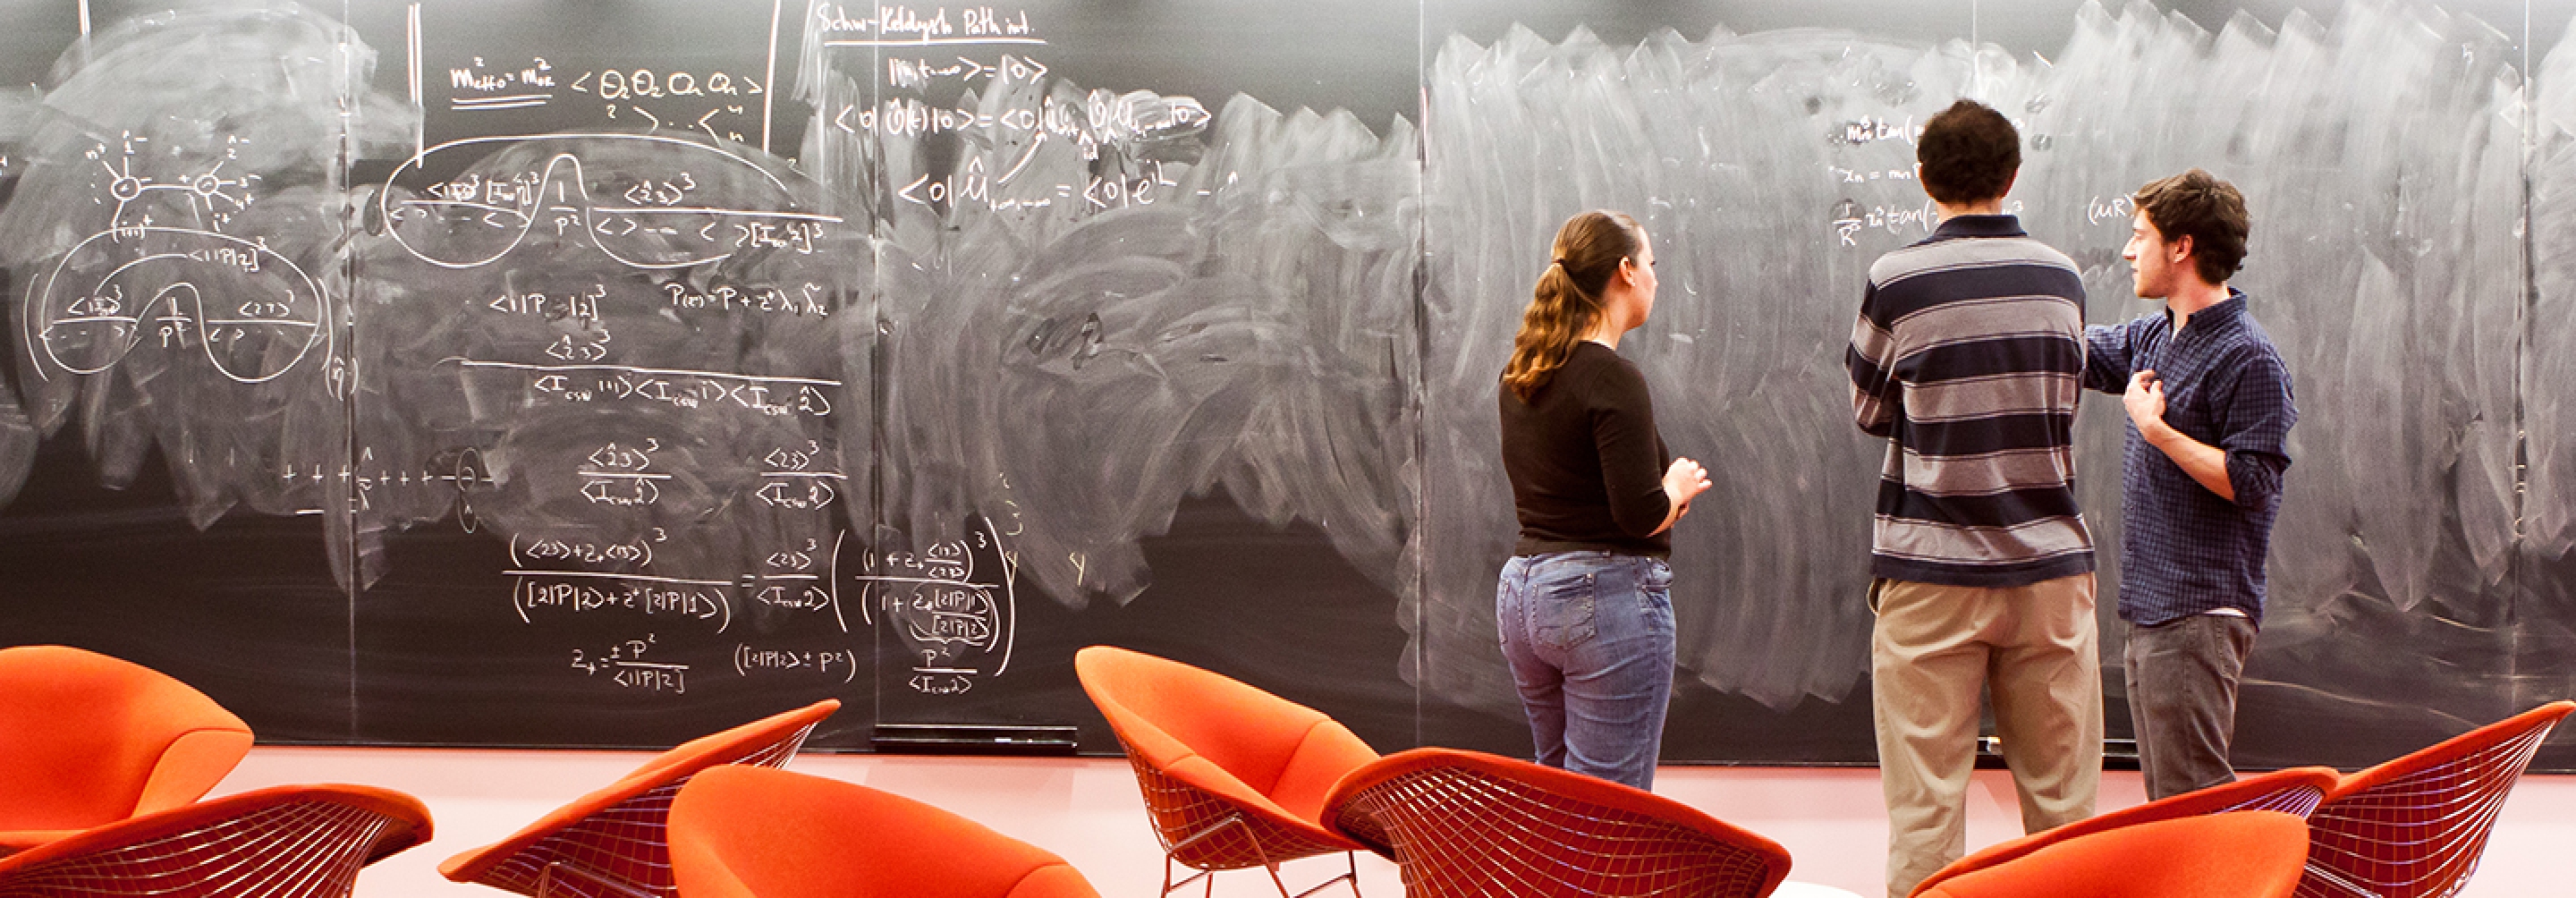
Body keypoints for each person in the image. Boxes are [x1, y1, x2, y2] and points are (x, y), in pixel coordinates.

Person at [1845, 99, 2100, 898]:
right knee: (2064, 811)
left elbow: (1868, 410)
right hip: (2050, 571)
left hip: (1932, 573)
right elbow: (2063, 399)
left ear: (1923, 178)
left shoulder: (1897, 281)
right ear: (2013, 177)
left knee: (1925, 812)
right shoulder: (2063, 277)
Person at [2083, 169, 2293, 801]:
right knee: (2172, 802)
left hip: (2197, 611)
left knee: (2192, 802)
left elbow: (2254, 482)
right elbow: (2078, 350)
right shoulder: (2157, 333)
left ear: (2182, 247)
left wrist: (2158, 432)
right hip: (2154, 608)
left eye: (2140, 235)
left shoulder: (2248, 355)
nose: (2127, 250)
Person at [1495, 209, 1710, 791]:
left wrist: (1664, 498)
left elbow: (1572, 494)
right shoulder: (1613, 377)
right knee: (1609, 813)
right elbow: (1638, 514)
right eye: (1652, 264)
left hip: (1524, 595)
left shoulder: (1524, 372)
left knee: (1560, 797)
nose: (1656, 279)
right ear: (1625, 271)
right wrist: (1676, 488)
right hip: (1602, 602)